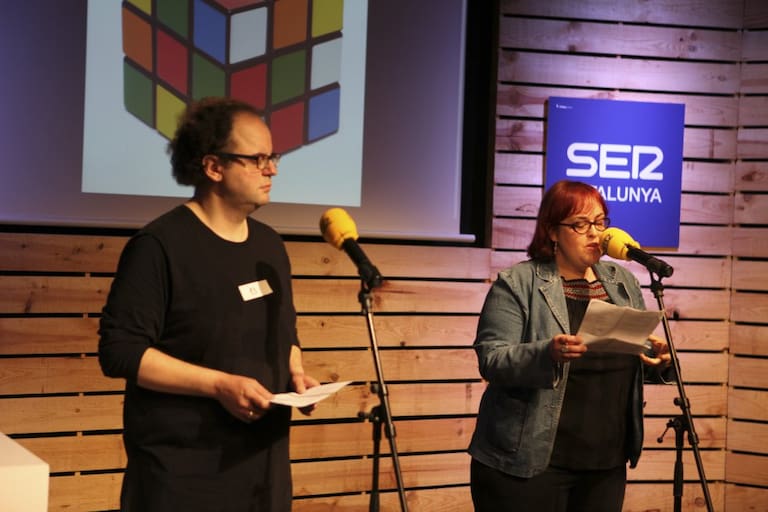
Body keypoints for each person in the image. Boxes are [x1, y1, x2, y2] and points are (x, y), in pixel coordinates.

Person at [98, 97, 320, 512]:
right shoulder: (159, 246)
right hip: (184, 474)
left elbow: (285, 334)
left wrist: (296, 375)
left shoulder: (269, 246)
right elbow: (120, 352)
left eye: (272, 158)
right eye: (257, 159)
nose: (271, 170)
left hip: (263, 472)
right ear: (214, 167)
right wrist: (219, 385)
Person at [468, 179, 672, 511]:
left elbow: (623, 359)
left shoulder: (622, 282)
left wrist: (657, 361)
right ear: (552, 231)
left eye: (600, 222)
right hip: (528, 462)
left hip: (605, 461)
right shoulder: (518, 282)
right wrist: (546, 353)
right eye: (580, 224)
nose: (595, 234)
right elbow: (491, 359)